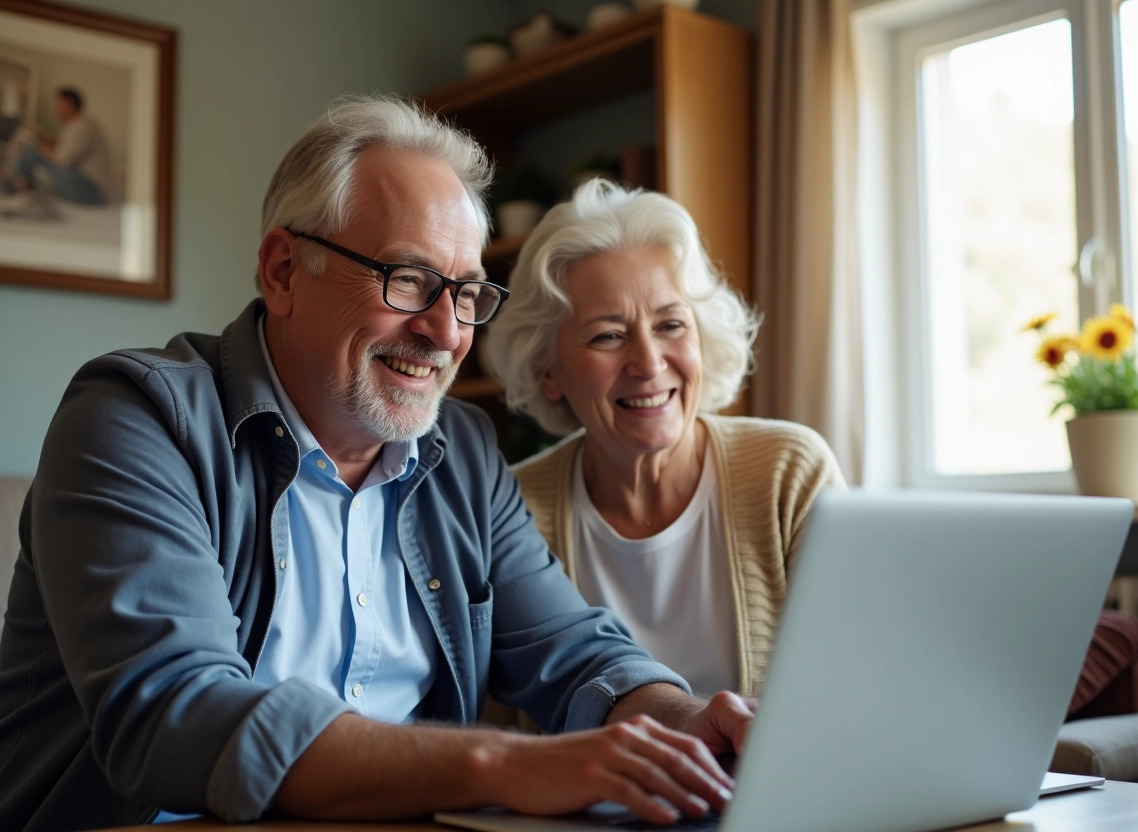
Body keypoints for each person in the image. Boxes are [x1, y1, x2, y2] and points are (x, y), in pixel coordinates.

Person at [0, 96, 754, 832]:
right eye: (408, 280)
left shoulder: (460, 449)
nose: (444, 331)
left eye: (464, 294)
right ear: (284, 270)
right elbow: (176, 711)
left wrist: (687, 721)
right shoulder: (135, 418)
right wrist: (506, 766)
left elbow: (572, 651)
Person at [486, 180, 846, 698]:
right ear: (548, 371)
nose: (649, 363)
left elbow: (849, 682)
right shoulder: (512, 509)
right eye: (608, 335)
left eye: (671, 324)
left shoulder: (789, 473)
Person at [3, 86, 110, 205]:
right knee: (35, 150)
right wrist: (41, 137)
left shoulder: (82, 127)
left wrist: (39, 148)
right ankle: (21, 182)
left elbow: (63, 160)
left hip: (91, 193)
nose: (55, 110)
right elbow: (64, 144)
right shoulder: (79, 124)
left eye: (58, 105)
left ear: (69, 103)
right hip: (90, 190)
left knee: (33, 151)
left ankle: (17, 183)